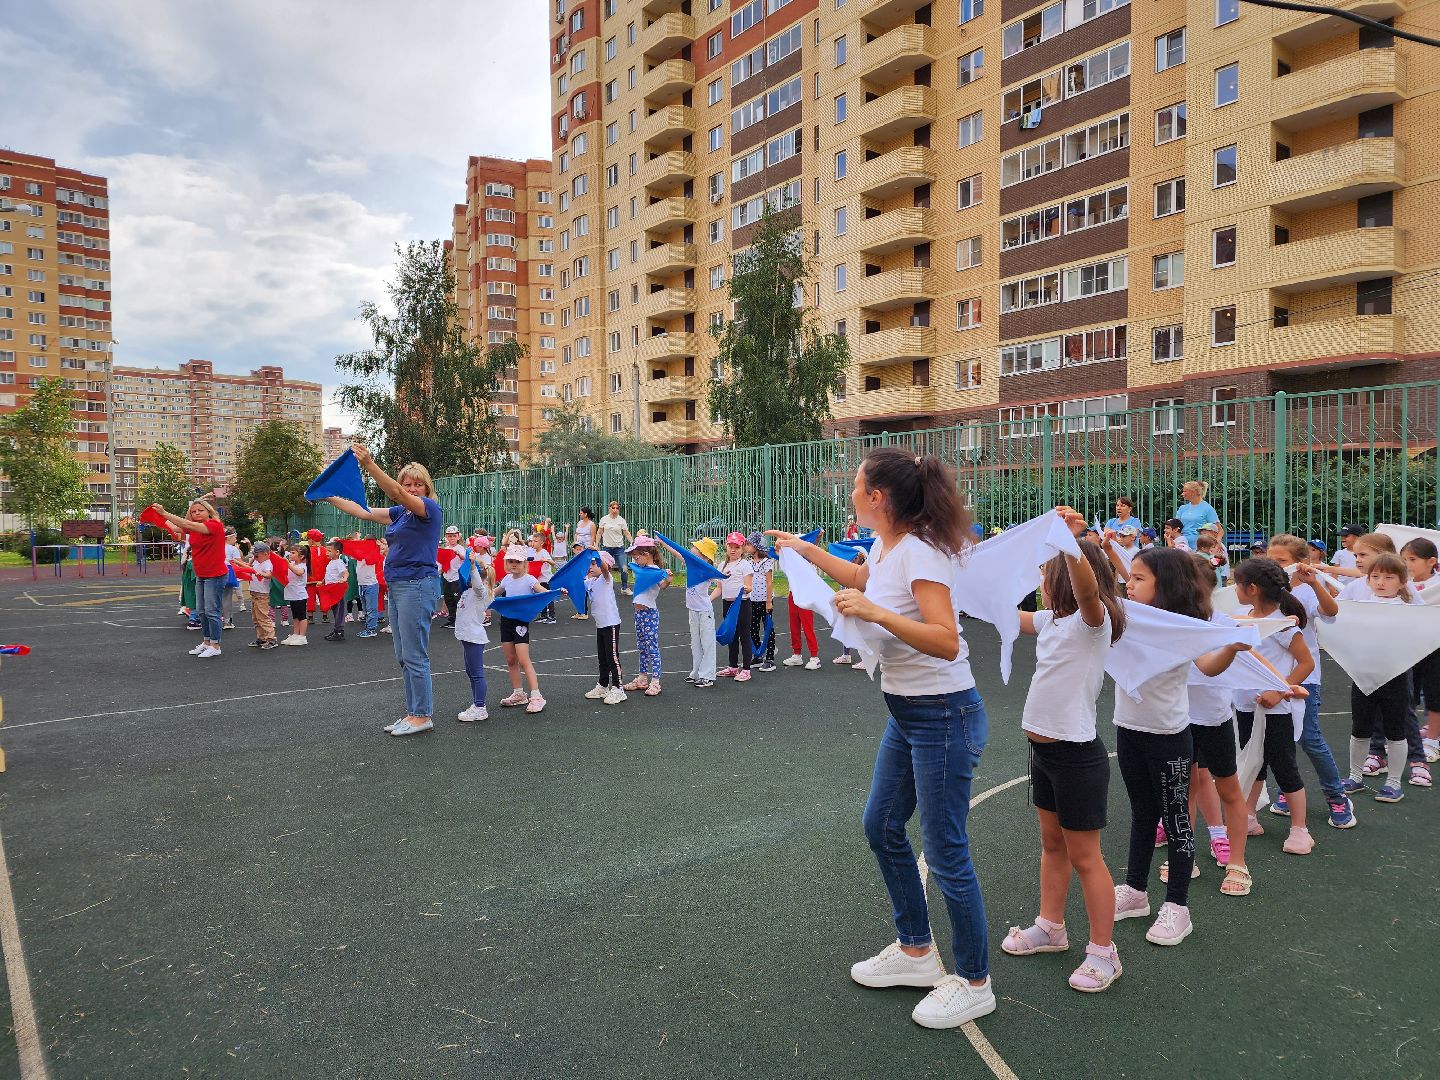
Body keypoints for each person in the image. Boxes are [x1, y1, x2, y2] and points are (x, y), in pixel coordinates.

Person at [770, 447, 994, 1030]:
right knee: (882, 825)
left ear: (879, 498)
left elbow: (947, 640)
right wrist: (804, 550)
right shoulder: (888, 544)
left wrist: (874, 613)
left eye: (857, 485)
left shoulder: (921, 553)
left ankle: (975, 981)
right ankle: (917, 951)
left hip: (944, 713)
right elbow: (859, 577)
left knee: (945, 850)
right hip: (910, 713)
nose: (850, 492)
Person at [1003, 512, 1127, 993]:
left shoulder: (1090, 624)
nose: (1040, 586)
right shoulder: (1053, 622)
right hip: (1045, 755)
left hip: (1077, 756)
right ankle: (1051, 927)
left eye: (1044, 578)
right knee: (1052, 845)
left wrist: (1071, 546)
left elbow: (1089, 592)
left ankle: (1104, 952)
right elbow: (1003, 613)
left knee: (1086, 857)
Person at [1112, 548, 1252, 945]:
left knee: (1176, 821)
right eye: (1130, 577)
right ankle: (1135, 891)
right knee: (1142, 812)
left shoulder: (1184, 625)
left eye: (1139, 578)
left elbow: (1208, 666)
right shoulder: (1125, 615)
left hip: (1170, 736)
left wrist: (1231, 648)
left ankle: (1177, 906)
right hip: (1129, 728)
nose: (1129, 583)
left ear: (1166, 585)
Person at [324, 446, 444, 737]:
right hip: (400, 585)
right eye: (408, 483)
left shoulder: (428, 509)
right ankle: (414, 712)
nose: (412, 488)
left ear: (427, 488)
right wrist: (326, 494)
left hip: (417, 584)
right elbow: (362, 511)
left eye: (418, 484)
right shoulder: (399, 513)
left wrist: (370, 464)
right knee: (404, 655)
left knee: (415, 654)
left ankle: (423, 715)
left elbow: (397, 495)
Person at [1263, 536, 1353, 829]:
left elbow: (1331, 612)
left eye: (1282, 561)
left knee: (1309, 738)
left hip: (1305, 678)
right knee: (1280, 739)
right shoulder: (1264, 590)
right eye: (1271, 559)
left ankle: (1336, 796)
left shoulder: (1307, 589)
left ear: (1299, 562)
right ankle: (1288, 791)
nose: (1275, 566)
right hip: (1272, 676)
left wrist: (1315, 582)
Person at [1229, 557, 1316, 854]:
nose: (1232, 588)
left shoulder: (1282, 626)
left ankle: (1300, 828)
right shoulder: (1243, 617)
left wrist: (1279, 692)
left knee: (1284, 765)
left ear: (1252, 588)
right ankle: (1249, 817)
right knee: (1253, 762)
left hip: (1275, 710)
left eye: (1236, 583)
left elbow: (1306, 663)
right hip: (1245, 705)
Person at [1345, 553, 1419, 804]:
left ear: (1402, 582)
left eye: (1389, 577)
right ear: (1367, 580)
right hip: (1363, 675)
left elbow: (1417, 638)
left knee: (1396, 732)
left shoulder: (1409, 611)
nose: (1380, 582)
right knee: (1360, 729)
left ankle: (1394, 782)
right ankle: (1355, 776)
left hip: (1395, 679)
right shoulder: (1359, 606)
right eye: (1375, 576)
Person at [151, 499, 229, 658]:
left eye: (200, 510)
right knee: (201, 611)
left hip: (215, 575)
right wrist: (156, 516)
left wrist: (164, 513)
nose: (197, 513)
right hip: (201, 574)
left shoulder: (214, 526)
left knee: (211, 611)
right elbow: (175, 526)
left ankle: (216, 645)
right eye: (194, 511)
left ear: (209, 511)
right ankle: (207, 642)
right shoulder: (193, 529)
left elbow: (189, 525)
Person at [496, 543, 548, 714]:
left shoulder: (530, 580)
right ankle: (519, 693)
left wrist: (555, 592)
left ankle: (536, 696)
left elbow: (542, 592)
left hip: (520, 623)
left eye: (517, 562)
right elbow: (494, 593)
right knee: (510, 659)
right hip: (506, 622)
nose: (514, 564)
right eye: (510, 561)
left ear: (525, 564)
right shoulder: (506, 579)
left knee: (524, 660)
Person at [623, 536, 670, 696]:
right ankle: (642, 678)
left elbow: (662, 585)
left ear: (647, 553)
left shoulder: (656, 571)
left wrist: (668, 579)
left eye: (637, 555)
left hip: (649, 613)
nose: (635, 558)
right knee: (642, 648)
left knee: (652, 648)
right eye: (634, 555)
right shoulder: (640, 568)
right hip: (639, 613)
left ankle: (656, 681)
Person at [455, 547, 494, 723]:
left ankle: (480, 707)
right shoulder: (467, 591)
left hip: (474, 637)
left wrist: (472, 567)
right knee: (470, 672)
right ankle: (477, 704)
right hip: (466, 636)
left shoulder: (482, 593)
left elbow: (478, 584)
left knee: (477, 674)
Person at [711, 533, 755, 681]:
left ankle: (747, 670)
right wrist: (707, 600)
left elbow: (749, 586)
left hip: (742, 604)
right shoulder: (722, 565)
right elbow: (719, 588)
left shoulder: (745, 565)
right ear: (726, 546)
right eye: (731, 546)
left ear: (742, 549)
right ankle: (733, 667)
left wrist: (747, 588)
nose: (733, 550)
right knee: (732, 636)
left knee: (744, 636)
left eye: (737, 547)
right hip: (728, 604)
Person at [745, 532, 777, 672]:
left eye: (749, 544)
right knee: (753, 628)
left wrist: (769, 601)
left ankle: (769, 659)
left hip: (765, 601)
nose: (747, 547)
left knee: (768, 629)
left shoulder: (766, 562)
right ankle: (757, 655)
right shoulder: (749, 563)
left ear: (757, 547)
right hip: (752, 600)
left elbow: (769, 583)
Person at [245, 542, 279, 650]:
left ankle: (271, 638)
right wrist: (252, 560)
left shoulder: (267, 563)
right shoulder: (257, 562)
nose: (255, 558)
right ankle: (262, 638)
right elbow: (248, 567)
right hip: (254, 592)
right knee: (256, 618)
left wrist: (262, 574)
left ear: (265, 554)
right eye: (254, 556)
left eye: (256, 556)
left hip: (262, 594)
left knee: (263, 617)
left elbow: (269, 574)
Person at [597, 501, 634, 594]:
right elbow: (599, 532)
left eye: (617, 508)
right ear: (609, 508)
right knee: (606, 568)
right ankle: (608, 587)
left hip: (619, 548)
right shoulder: (604, 519)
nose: (615, 510)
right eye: (613, 508)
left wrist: (633, 542)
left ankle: (624, 588)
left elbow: (626, 532)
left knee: (624, 567)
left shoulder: (621, 520)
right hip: (607, 548)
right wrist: (596, 544)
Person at [1174, 481, 1220, 550]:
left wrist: (1217, 543)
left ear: (1193, 492)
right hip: (1183, 545)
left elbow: (1219, 529)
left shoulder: (1207, 508)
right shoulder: (1182, 508)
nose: (1182, 494)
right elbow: (1176, 526)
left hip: (1200, 546)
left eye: (1185, 491)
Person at [281, 546, 311, 646]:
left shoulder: (302, 566)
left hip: (299, 595)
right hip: (292, 594)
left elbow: (299, 572)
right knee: (295, 616)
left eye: (293, 553)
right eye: (290, 552)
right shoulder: (293, 564)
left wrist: (288, 565)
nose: (290, 554)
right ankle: (296, 634)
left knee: (301, 616)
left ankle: (302, 637)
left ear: (301, 556)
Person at [321, 538, 350, 641]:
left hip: (337, 590)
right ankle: (337, 628)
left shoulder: (338, 562)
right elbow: (328, 574)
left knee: (339, 611)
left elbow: (345, 572)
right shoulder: (331, 562)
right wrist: (323, 581)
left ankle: (339, 631)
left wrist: (344, 578)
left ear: (337, 552)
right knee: (335, 610)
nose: (327, 553)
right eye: (326, 550)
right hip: (331, 590)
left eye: (329, 551)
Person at [440, 525, 466, 628]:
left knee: (457, 599)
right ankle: (451, 619)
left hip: (456, 578)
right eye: (449, 536)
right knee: (448, 599)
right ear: (446, 537)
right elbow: (443, 563)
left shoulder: (460, 548)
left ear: (458, 537)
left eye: (454, 536)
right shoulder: (446, 548)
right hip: (447, 576)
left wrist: (458, 554)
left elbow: (464, 558)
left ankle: (459, 620)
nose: (452, 538)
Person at [356, 542, 380, 639]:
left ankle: (371, 629)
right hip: (362, 585)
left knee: (371, 609)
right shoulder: (359, 554)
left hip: (370, 585)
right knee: (366, 609)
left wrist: (377, 547)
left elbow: (373, 559)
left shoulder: (373, 554)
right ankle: (368, 628)